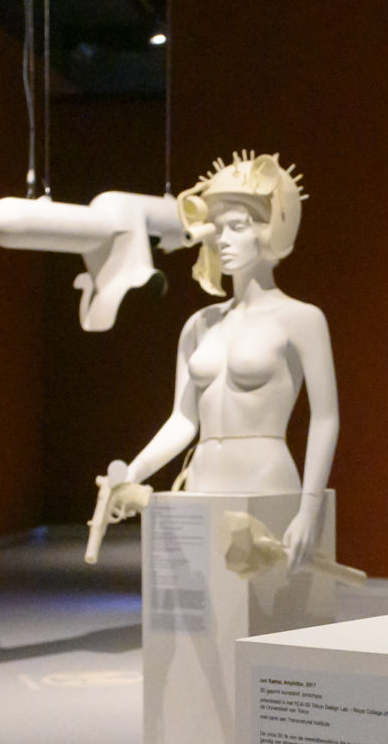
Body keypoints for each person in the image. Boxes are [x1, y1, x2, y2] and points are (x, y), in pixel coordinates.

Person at [98, 154, 337, 570]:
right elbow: (183, 420)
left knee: (260, 603)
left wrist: (308, 508)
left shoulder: (301, 319)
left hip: (265, 482)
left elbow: (326, 418)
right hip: (201, 484)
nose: (223, 240)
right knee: (200, 604)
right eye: (218, 228)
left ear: (271, 227)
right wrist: (134, 471)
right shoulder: (200, 324)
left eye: (237, 226)